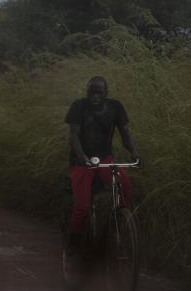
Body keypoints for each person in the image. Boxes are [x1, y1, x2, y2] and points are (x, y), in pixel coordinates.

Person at [63, 75, 140, 257]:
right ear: (87, 92)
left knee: (125, 186)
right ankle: (73, 245)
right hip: (82, 161)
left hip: (105, 159)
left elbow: (125, 134)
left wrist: (134, 152)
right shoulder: (78, 106)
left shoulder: (116, 107)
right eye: (92, 92)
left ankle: (118, 223)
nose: (95, 96)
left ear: (106, 93)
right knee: (82, 206)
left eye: (100, 92)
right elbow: (74, 135)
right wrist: (82, 156)